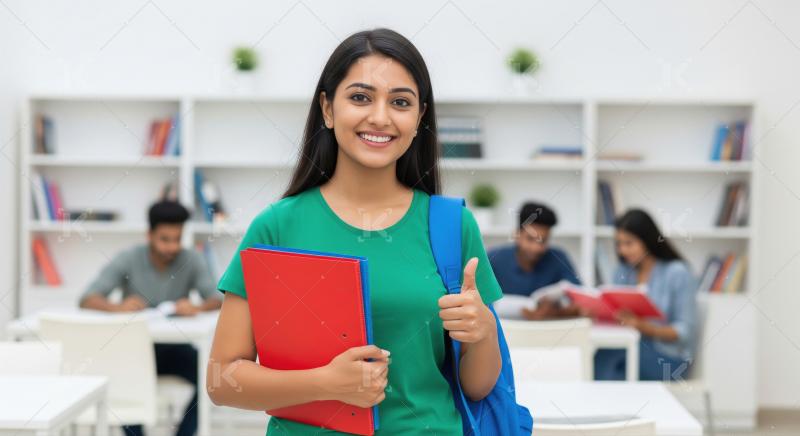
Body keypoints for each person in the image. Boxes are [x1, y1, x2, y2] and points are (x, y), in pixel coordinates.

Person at [206, 28, 505, 435]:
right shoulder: (277, 225)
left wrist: (484, 331)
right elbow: (222, 381)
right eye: (360, 97)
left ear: (419, 118)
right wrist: (325, 384)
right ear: (327, 109)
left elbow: (477, 386)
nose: (380, 117)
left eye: (400, 102)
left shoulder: (452, 225)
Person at [80, 200, 222, 436]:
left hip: (175, 349)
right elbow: (87, 298)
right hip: (134, 350)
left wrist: (196, 306)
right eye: (164, 239)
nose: (172, 246)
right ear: (149, 235)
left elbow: (217, 299)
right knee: (123, 384)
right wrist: (117, 307)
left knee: (214, 377)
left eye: (177, 239)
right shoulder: (129, 258)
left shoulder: (192, 259)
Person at [594, 209, 698, 381]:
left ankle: (602, 405)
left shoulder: (677, 272)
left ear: (648, 240)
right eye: (619, 244)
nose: (623, 250)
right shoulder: (623, 271)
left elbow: (684, 331)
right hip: (630, 347)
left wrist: (643, 327)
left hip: (669, 358)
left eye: (629, 243)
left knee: (615, 361)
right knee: (604, 358)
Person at [487, 202, 581, 319]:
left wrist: (556, 312)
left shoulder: (559, 258)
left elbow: (579, 299)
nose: (537, 248)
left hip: (548, 332)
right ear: (517, 235)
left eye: (543, 241)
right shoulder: (494, 258)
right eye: (530, 239)